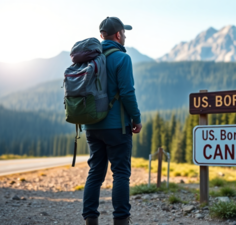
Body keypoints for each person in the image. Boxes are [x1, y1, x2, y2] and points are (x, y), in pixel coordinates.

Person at [82, 16, 142, 225]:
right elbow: (127, 93)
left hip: (91, 126)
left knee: (95, 173)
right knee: (121, 174)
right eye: (124, 33)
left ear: (101, 36)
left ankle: (90, 220)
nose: (124, 36)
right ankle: (121, 220)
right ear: (118, 35)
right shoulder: (122, 58)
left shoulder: (90, 59)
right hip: (117, 127)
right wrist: (137, 118)